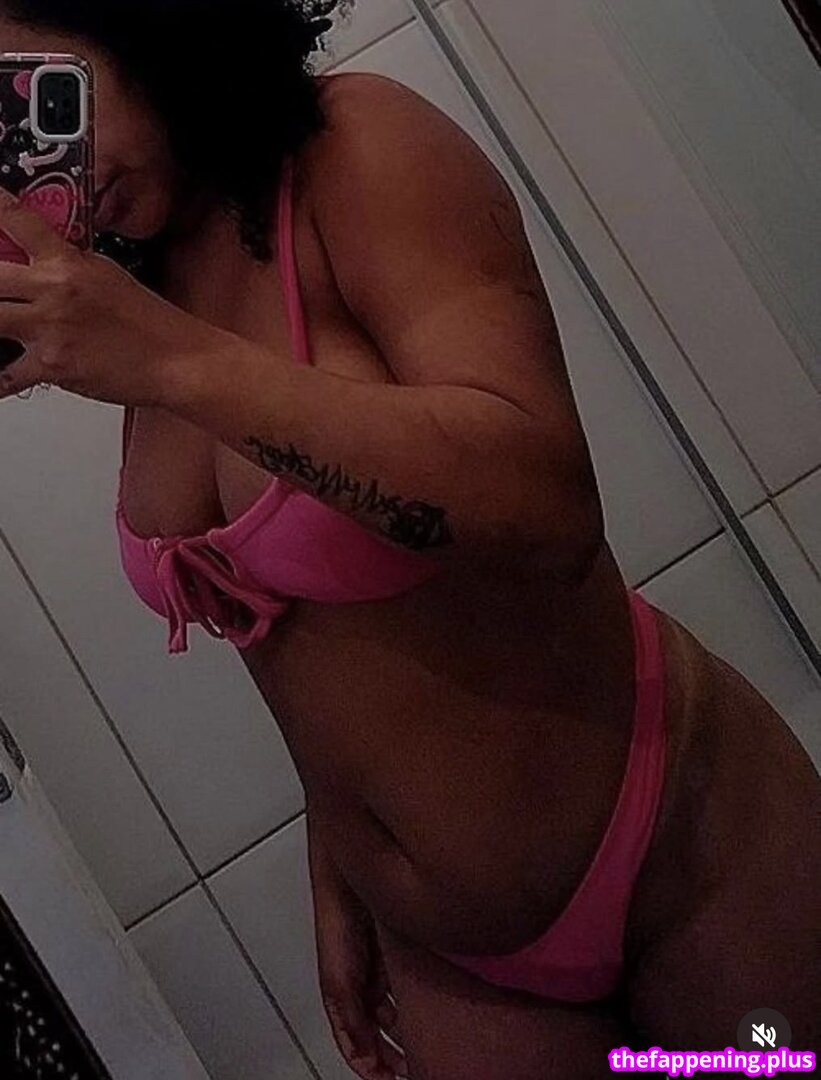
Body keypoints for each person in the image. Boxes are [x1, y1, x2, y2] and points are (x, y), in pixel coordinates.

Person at [0, 3, 818, 1077]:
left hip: (677, 854)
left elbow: (546, 509)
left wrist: (168, 362)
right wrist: (342, 851)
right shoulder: (148, 284)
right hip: (451, 961)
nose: (32, 162)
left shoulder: (353, 149)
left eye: (35, 99)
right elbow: (314, 640)